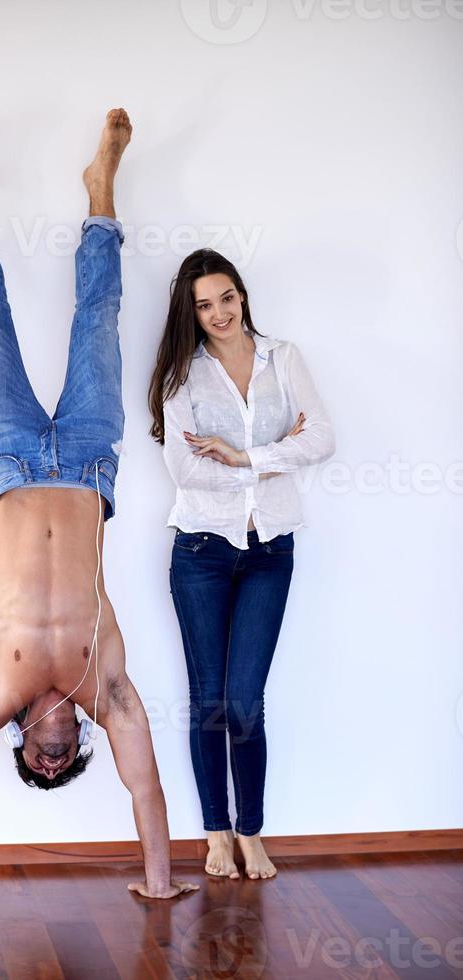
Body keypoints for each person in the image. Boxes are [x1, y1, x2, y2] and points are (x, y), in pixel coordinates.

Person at [0, 105, 197, 906]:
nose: (56, 755)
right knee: (99, 318)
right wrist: (160, 886)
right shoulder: (108, 689)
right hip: (89, 464)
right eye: (67, 763)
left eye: (42, 762)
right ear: (80, 746)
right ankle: (103, 188)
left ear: (23, 744)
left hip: (7, 461)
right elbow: (146, 794)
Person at [148, 249, 336, 881]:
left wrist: (243, 456)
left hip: (271, 549)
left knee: (245, 700)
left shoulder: (284, 358)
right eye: (204, 305)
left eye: (227, 297)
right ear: (191, 313)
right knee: (208, 700)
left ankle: (251, 830)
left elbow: (324, 439)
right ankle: (215, 831)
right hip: (201, 550)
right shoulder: (182, 375)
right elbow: (183, 470)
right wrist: (270, 456)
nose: (220, 313)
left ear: (242, 295)